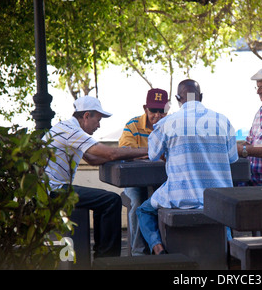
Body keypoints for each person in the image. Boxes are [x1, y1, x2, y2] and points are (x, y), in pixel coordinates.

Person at [136, 79, 238, 255]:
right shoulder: (223, 121)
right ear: (201, 97)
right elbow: (231, 158)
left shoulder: (166, 124)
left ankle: (158, 248)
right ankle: (229, 247)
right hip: (218, 198)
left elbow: (153, 154)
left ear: (177, 98)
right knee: (221, 216)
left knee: (143, 210)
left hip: (180, 197)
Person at [43, 96, 148, 258]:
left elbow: (93, 159)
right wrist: (148, 150)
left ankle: (102, 255)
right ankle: (107, 260)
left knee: (105, 201)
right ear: (86, 116)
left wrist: (132, 156)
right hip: (53, 191)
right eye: (97, 120)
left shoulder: (67, 128)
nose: (99, 125)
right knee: (111, 201)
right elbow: (110, 152)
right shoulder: (71, 131)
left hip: (50, 188)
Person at [118, 88, 169, 256]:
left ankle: (163, 248)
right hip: (135, 180)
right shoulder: (132, 125)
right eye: (153, 110)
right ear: (145, 108)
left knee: (163, 204)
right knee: (138, 202)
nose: (157, 115)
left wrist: (140, 152)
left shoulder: (170, 124)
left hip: (161, 180)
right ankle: (139, 252)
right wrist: (154, 152)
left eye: (161, 111)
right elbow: (125, 150)